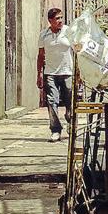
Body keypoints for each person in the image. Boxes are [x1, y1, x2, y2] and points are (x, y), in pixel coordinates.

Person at [38, 8, 75, 142]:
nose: (60, 21)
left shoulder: (68, 32)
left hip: (67, 72)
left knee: (70, 101)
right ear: (50, 21)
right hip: (50, 72)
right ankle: (55, 130)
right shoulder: (44, 35)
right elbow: (41, 55)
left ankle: (71, 122)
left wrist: (79, 73)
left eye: (61, 18)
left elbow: (77, 50)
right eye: (57, 18)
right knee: (52, 101)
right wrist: (39, 74)